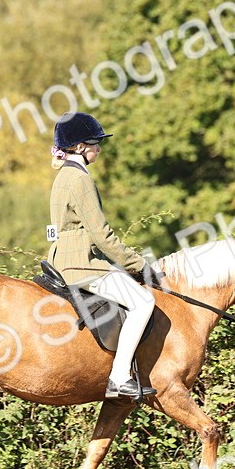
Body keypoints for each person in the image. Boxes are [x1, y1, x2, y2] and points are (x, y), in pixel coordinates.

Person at [47, 111, 157, 399]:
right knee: (144, 301)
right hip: (82, 263)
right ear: (80, 147)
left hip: (62, 257)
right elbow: (101, 234)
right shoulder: (80, 180)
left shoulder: (63, 175)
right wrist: (139, 263)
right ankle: (120, 377)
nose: (99, 148)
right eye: (95, 143)